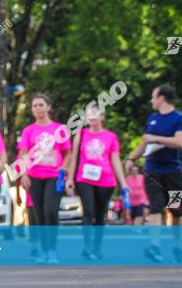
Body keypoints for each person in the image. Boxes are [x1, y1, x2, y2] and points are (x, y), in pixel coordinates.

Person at [124, 84, 182, 264]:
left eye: (153, 96)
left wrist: (155, 138)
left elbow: (179, 141)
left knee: (176, 211)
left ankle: (178, 247)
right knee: (155, 207)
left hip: (174, 173)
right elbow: (146, 143)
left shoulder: (180, 119)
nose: (151, 100)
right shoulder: (152, 119)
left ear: (161, 98)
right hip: (152, 171)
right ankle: (155, 247)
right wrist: (131, 159)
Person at [14, 94, 72, 264]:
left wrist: (64, 167)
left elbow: (67, 153)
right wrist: (23, 174)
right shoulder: (28, 131)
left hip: (54, 176)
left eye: (40, 105)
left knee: (50, 211)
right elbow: (23, 154)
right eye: (34, 106)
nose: (37, 108)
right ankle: (44, 251)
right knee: (39, 214)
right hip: (34, 176)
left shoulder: (59, 129)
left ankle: (52, 250)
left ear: (48, 107)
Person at [65, 105, 128, 260]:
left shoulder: (111, 137)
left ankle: (97, 247)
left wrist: (123, 183)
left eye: (95, 114)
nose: (92, 117)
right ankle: (87, 247)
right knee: (89, 211)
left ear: (102, 117)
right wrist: (70, 178)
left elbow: (115, 160)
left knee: (100, 214)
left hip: (106, 180)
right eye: (89, 115)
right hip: (84, 178)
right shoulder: (81, 134)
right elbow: (74, 158)